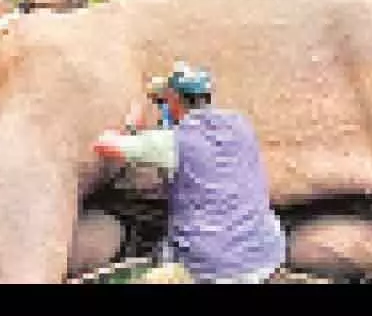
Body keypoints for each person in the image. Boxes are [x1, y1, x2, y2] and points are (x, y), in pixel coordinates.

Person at [93, 63, 286, 283]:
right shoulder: (240, 123)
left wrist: (130, 127)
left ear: (174, 99)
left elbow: (104, 145)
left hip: (212, 268)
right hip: (264, 255)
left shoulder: (171, 142)